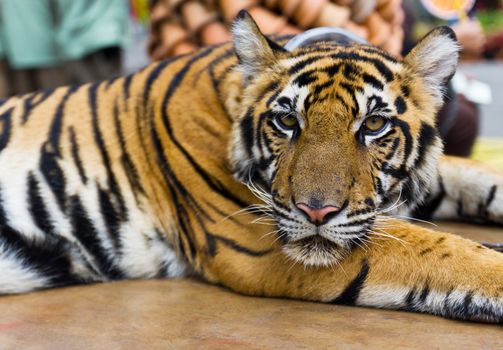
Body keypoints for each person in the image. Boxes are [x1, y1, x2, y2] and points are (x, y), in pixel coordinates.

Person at [402, 0, 486, 157]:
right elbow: (398, 53)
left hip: (413, 77)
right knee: (463, 119)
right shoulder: (402, 7)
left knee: (469, 105)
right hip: (396, 85)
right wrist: (455, 38)